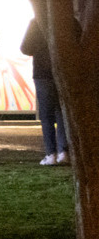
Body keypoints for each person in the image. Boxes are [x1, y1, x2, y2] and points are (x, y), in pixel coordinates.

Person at [23, 13, 76, 166]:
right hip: (64, 72)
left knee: (46, 115)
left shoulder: (37, 22)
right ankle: (63, 151)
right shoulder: (69, 19)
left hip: (42, 74)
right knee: (62, 113)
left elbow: (25, 47)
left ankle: (50, 153)